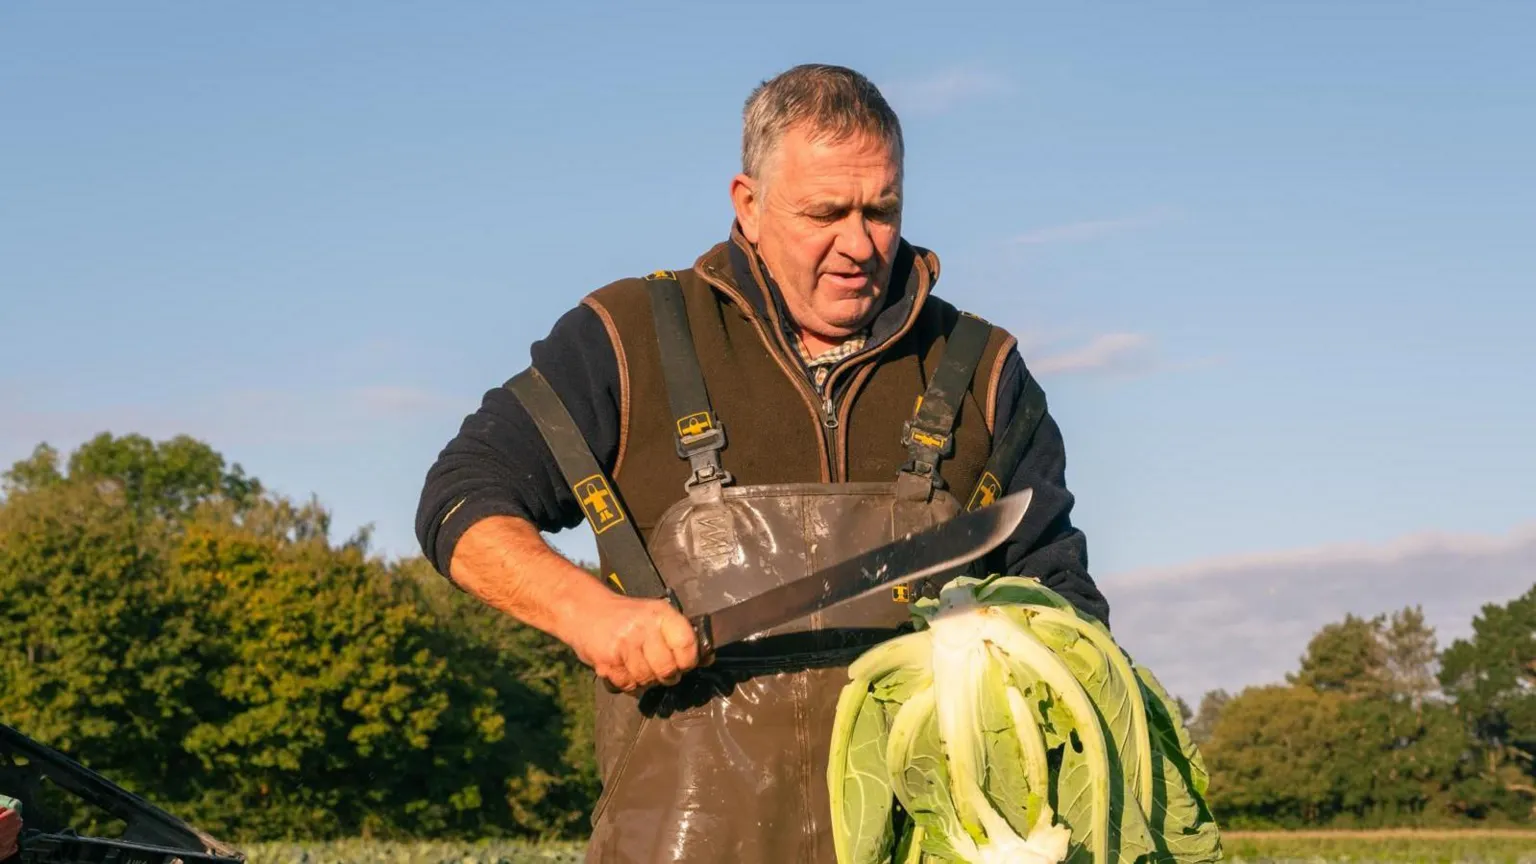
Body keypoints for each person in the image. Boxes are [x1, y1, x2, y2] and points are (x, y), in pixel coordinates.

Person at [414, 63, 1110, 864]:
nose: (860, 244)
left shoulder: (984, 370)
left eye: (881, 210)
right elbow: (459, 500)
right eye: (826, 212)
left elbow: (1064, 608)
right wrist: (584, 612)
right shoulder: (630, 336)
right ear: (748, 204)